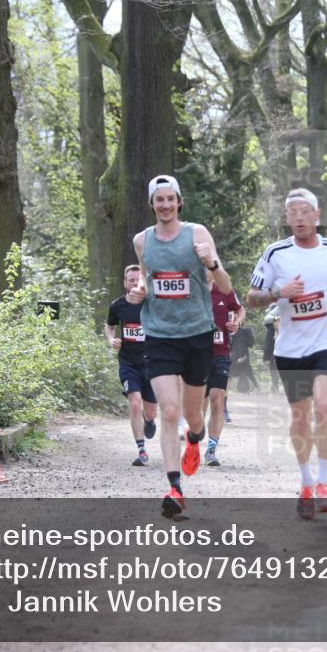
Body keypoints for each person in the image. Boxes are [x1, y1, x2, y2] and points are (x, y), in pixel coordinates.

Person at [247, 187, 327, 520]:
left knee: (324, 406)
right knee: (300, 416)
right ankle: (306, 483)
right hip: (291, 349)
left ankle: (325, 484)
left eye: (303, 211)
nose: (298, 217)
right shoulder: (275, 253)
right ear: (286, 219)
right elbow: (250, 297)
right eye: (292, 213)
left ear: (317, 215)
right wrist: (278, 292)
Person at [127, 174, 233, 519]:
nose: (166, 205)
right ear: (152, 204)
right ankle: (174, 487)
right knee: (168, 411)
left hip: (197, 335)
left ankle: (196, 438)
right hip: (158, 334)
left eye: (171, 199)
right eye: (159, 200)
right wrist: (139, 290)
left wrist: (210, 263)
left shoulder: (197, 234)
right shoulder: (142, 240)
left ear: (179, 201)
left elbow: (226, 285)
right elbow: (146, 274)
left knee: (192, 416)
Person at [104, 265, 157, 466]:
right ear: (125, 283)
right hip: (128, 363)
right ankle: (141, 450)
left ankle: (150, 421)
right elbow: (109, 326)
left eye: (138, 279)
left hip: (152, 364)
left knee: (150, 411)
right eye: (131, 280)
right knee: (135, 403)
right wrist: (111, 340)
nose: (135, 283)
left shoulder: (153, 304)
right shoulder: (118, 305)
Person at [202, 271, 244, 466]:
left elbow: (240, 310)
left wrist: (236, 323)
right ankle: (194, 438)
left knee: (217, 399)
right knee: (197, 406)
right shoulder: (190, 291)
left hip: (220, 353)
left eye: (208, 267)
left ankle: (211, 449)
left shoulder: (225, 290)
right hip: (195, 355)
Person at [229, 325, 258, 392]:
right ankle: (257, 387)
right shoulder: (246, 330)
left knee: (230, 373)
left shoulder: (228, 329)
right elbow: (250, 343)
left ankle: (227, 389)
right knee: (248, 371)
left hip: (233, 355)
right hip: (243, 354)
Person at [262, 304, 281, 393]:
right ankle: (275, 385)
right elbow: (267, 319)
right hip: (273, 344)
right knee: (272, 364)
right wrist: (277, 319)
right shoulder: (271, 319)